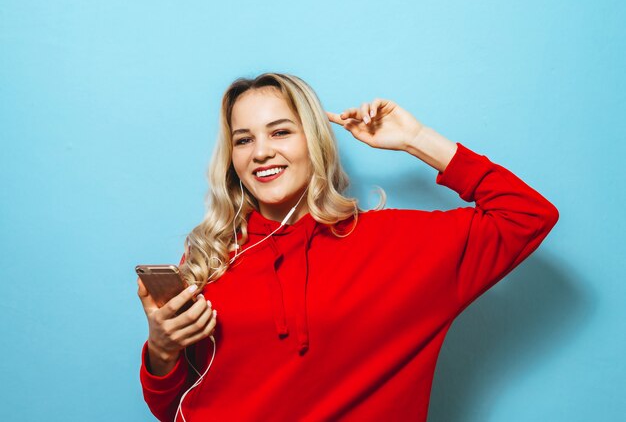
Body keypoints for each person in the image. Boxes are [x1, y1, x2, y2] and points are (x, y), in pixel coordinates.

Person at [137, 72, 559, 421]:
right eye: (243, 140)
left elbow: (527, 216)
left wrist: (416, 139)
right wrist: (161, 349)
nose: (261, 152)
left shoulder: (398, 246)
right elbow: (172, 407)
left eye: (281, 132)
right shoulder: (211, 258)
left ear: (315, 142)